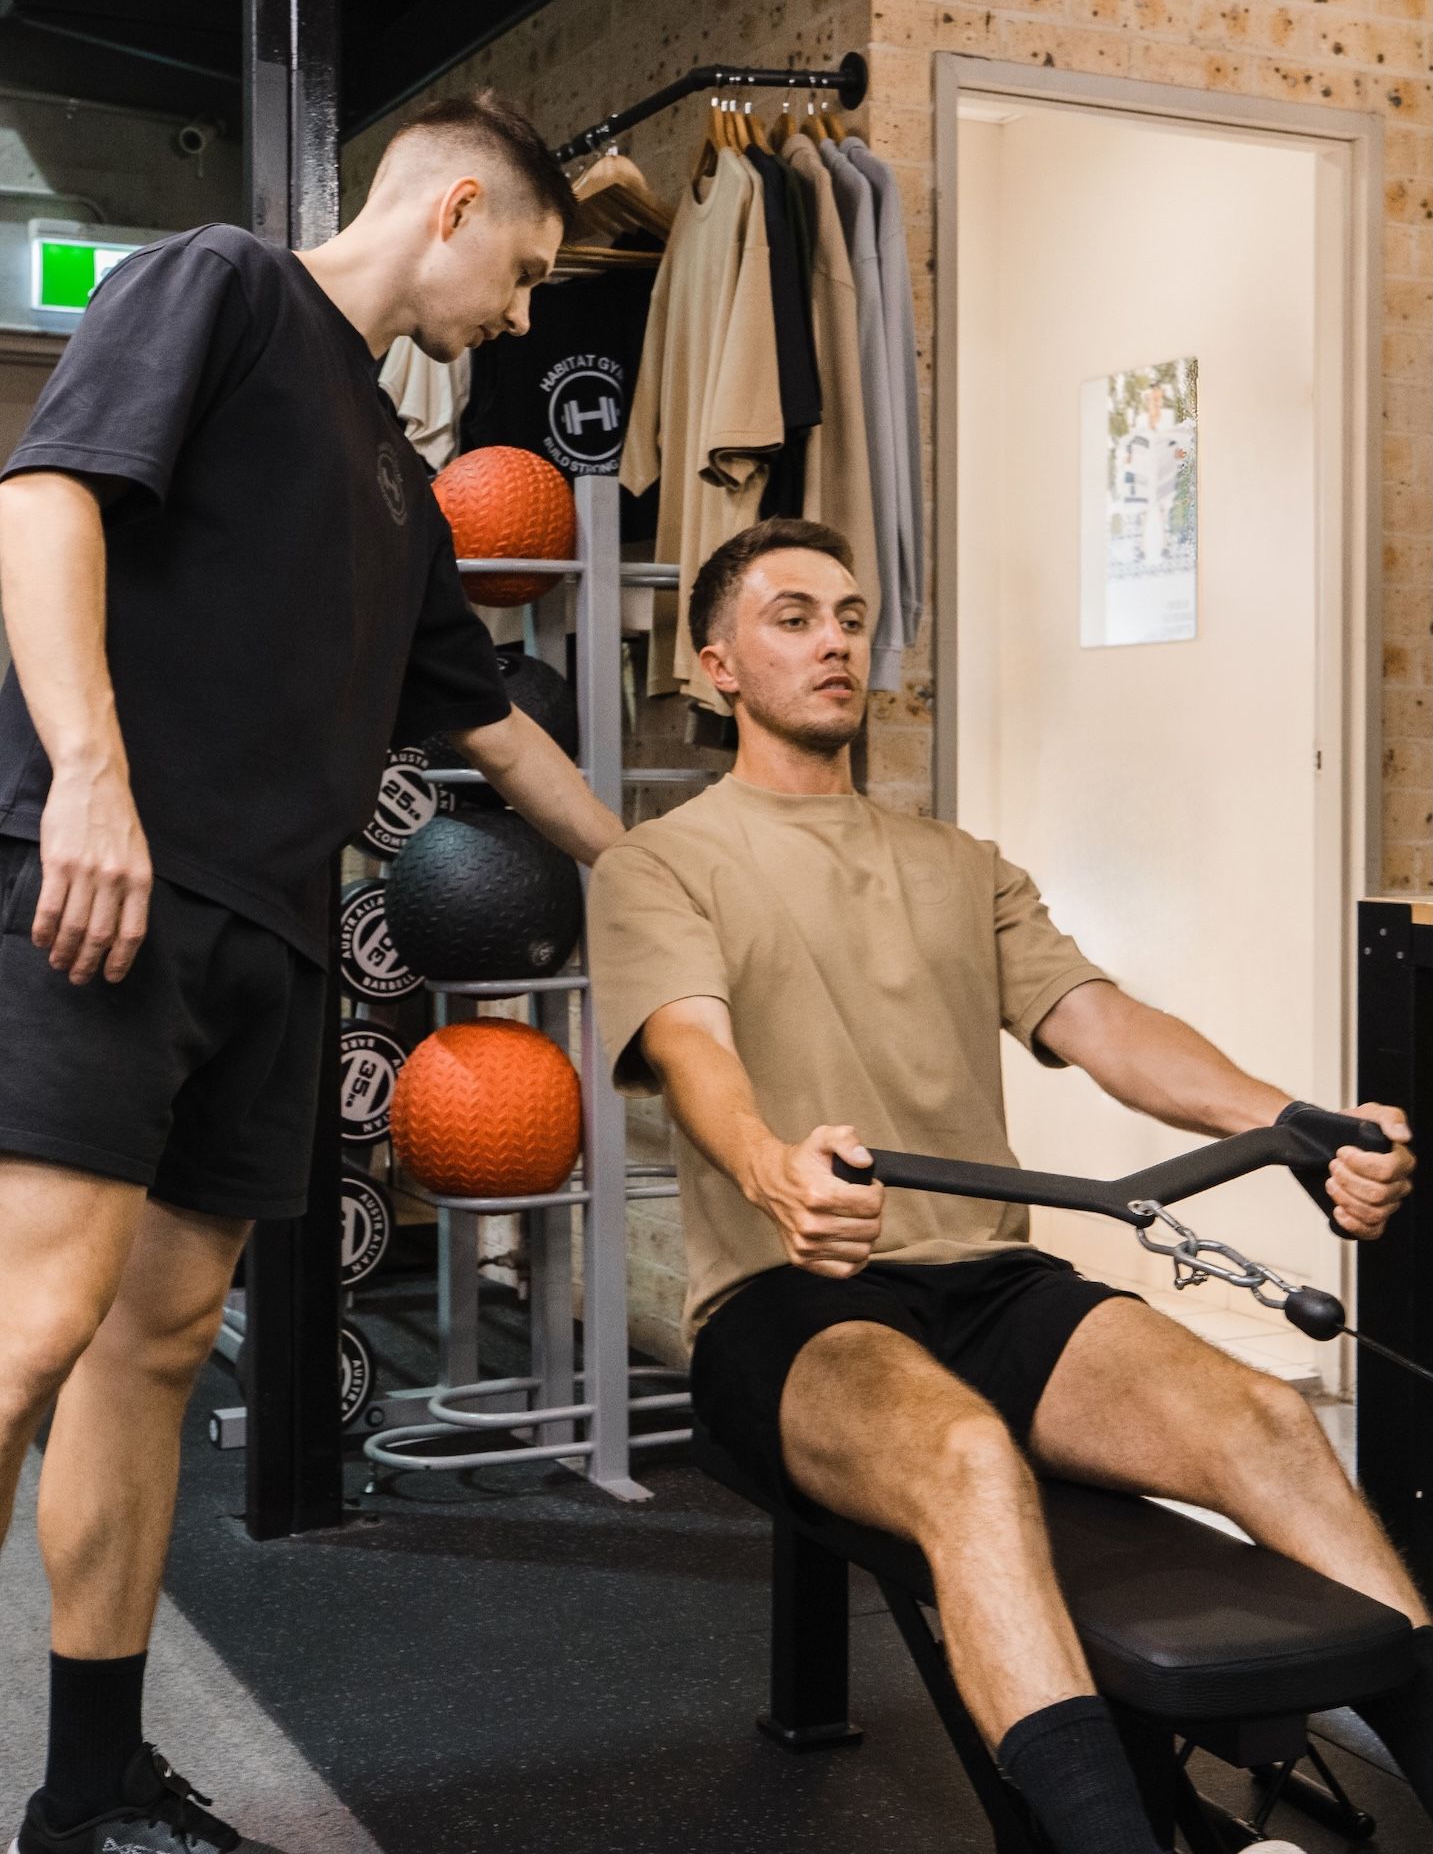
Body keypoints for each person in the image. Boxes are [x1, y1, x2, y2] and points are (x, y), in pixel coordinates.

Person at [587, 517, 1430, 1854]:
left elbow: (1102, 1026)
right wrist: (773, 1168)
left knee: (1268, 1421)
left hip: (992, 1288)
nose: (834, 642)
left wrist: (1289, 1119)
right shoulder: (659, 862)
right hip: (789, 1305)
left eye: (853, 617)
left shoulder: (956, 863)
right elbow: (695, 1049)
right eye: (793, 616)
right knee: (968, 1461)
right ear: (716, 667)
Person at [0, 91, 623, 1854]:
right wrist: (92, 787)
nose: (521, 314)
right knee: (26, 1331)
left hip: (272, 935)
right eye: (526, 267)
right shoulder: (216, 283)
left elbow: (486, 719)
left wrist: (651, 875)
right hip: (105, 884)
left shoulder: (393, 468)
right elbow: (41, 502)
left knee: (155, 1345)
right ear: (449, 207)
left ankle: (89, 1791)